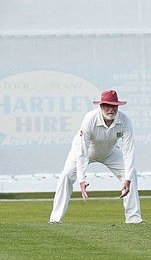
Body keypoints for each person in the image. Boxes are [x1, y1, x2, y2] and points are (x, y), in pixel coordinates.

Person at [49, 90, 143, 224]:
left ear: (118, 106)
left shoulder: (125, 121)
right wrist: (81, 180)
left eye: (114, 106)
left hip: (110, 152)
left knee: (131, 173)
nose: (111, 109)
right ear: (100, 106)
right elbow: (82, 152)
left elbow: (128, 151)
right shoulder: (90, 119)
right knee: (66, 175)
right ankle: (55, 219)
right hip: (85, 150)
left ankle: (134, 219)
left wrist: (127, 180)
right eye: (107, 105)